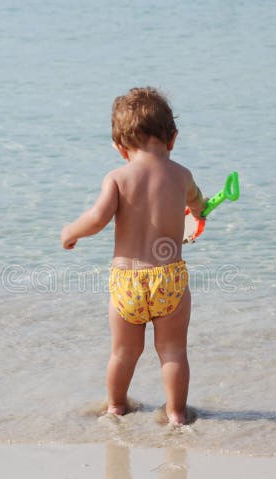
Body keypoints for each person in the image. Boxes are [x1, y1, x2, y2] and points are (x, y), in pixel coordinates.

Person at [61, 87, 206, 425]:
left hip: (127, 283)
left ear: (120, 147)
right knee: (172, 352)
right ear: (173, 139)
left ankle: (115, 408)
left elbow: (97, 219)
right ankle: (176, 415)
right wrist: (198, 214)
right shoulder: (181, 175)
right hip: (168, 279)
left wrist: (70, 231)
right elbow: (198, 205)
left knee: (123, 352)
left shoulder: (117, 177)